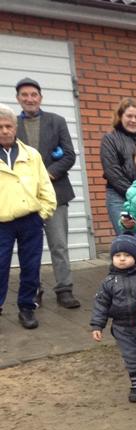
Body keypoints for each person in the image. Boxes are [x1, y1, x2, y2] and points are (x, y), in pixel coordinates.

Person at [15, 77, 80, 309]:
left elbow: (69, 155)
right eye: (25, 95)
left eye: (34, 95)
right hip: (24, 196)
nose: (29, 99)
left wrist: (46, 176)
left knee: (59, 244)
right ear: (18, 99)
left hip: (55, 192)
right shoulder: (11, 125)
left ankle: (64, 289)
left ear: (40, 98)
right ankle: (33, 290)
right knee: (28, 247)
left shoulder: (57, 121)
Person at [0, 103, 56, 330]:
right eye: (0, 126)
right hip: (2, 223)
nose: (4, 131)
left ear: (15, 127)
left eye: (8, 126)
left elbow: (45, 187)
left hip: (30, 220)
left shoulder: (31, 155)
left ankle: (27, 307)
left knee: (31, 267)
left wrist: (43, 213)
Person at [90, 234, 136, 402]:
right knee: (130, 356)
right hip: (121, 328)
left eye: (127, 255)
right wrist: (97, 326)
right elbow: (101, 304)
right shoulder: (109, 282)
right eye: (117, 256)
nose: (122, 259)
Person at [100, 98, 136, 235]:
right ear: (120, 117)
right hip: (119, 197)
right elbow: (112, 172)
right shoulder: (110, 139)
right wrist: (134, 193)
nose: (133, 120)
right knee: (127, 238)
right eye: (129, 116)